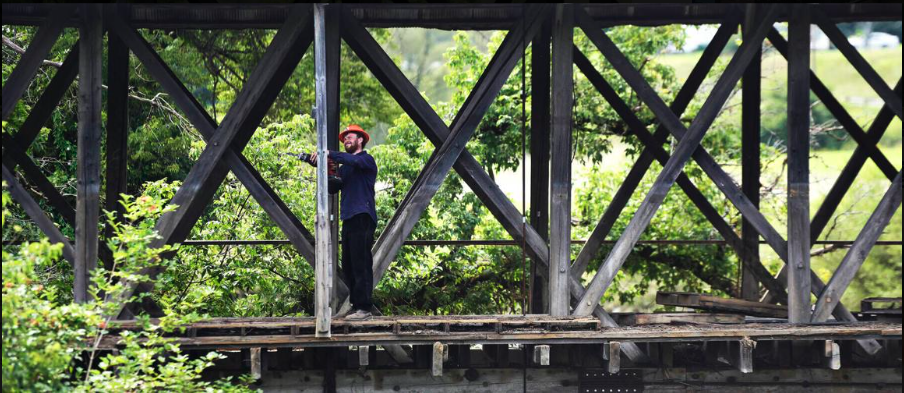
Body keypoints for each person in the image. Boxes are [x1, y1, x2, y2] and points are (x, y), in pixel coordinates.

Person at [306, 125, 378, 321]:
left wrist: (329, 154)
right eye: (344, 138)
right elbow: (333, 188)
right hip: (349, 218)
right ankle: (356, 306)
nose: (346, 140)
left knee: (361, 262)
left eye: (350, 137)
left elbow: (351, 160)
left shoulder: (365, 160)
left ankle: (364, 307)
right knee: (349, 264)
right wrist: (321, 166)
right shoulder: (346, 167)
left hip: (362, 215)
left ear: (360, 140)